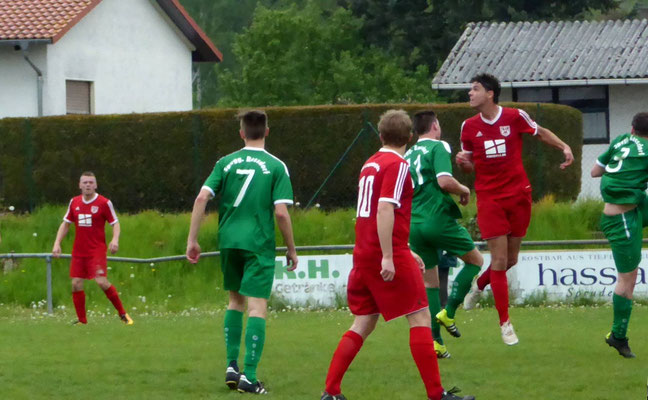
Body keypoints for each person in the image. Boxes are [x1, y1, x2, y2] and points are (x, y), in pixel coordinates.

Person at [321, 110, 474, 400]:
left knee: (363, 322)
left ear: (380, 136)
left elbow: (371, 213)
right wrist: (390, 256)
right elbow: (384, 209)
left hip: (364, 252)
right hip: (383, 253)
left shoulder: (370, 163)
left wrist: (406, 249)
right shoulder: (397, 164)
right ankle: (436, 394)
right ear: (409, 137)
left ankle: (330, 391)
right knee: (420, 317)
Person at [186, 110, 298, 394]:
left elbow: (201, 197)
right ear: (267, 131)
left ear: (241, 133)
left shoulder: (225, 162)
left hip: (229, 241)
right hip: (258, 243)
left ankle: (231, 366)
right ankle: (249, 376)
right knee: (257, 306)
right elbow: (281, 213)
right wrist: (291, 248)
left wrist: (192, 240)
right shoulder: (276, 166)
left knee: (235, 301)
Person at [457, 74, 573, 345]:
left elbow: (540, 132)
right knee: (499, 260)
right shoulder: (468, 126)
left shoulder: (514, 116)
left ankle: (479, 284)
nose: (470, 93)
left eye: (475, 89)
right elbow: (470, 166)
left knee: (510, 260)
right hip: (490, 199)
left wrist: (564, 146)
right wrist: (463, 163)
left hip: (518, 195)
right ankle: (505, 324)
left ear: (490, 94)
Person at [405, 110, 484, 359]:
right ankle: (449, 312)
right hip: (437, 219)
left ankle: (436, 343)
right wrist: (464, 189)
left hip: (414, 224)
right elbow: (444, 181)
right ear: (435, 126)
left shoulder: (408, 154)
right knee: (476, 261)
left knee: (430, 283)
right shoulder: (438, 147)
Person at [591, 112, 648, 358]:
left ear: (632, 129)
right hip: (621, 220)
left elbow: (594, 171)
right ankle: (618, 336)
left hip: (630, 211)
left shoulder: (621, 140)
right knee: (627, 279)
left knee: (630, 278)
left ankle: (618, 336)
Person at [51, 172, 132, 325]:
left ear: (96, 185)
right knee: (76, 284)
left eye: (90, 182)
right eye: (85, 182)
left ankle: (123, 314)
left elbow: (115, 223)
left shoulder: (104, 203)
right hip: (79, 251)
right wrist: (57, 243)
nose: (88, 185)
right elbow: (66, 224)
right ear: (79, 185)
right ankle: (82, 321)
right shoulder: (74, 202)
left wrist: (115, 239)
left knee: (101, 282)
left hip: (96, 250)